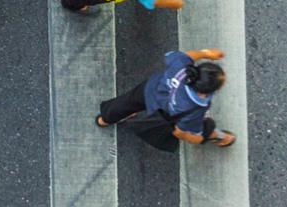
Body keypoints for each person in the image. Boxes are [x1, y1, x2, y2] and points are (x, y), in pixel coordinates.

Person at [97, 48, 237, 150]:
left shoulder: (182, 68)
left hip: (150, 89)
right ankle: (217, 136)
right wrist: (197, 138)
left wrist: (206, 54)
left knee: (127, 102)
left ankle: (105, 119)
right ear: (205, 92)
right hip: (161, 113)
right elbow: (181, 131)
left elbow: (184, 55)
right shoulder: (195, 107)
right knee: (203, 128)